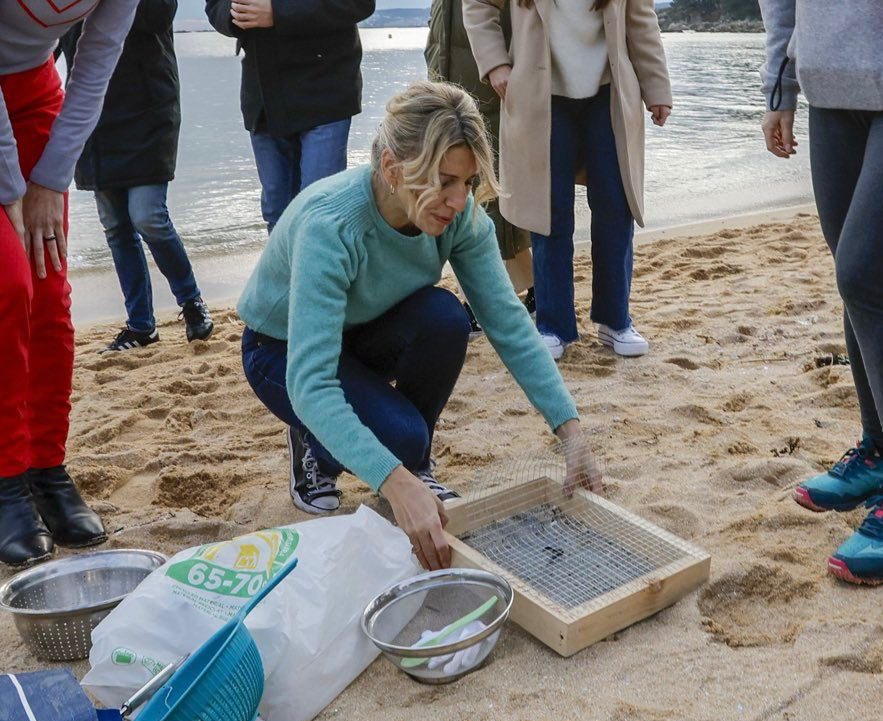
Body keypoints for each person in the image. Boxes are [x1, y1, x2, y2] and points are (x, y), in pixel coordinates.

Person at [239, 81, 601, 570]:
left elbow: (509, 322)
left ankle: (404, 459)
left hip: (362, 331)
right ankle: (318, 447)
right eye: (444, 181)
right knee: (403, 444)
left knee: (445, 316)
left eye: (468, 182)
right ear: (392, 168)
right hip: (280, 352)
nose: (459, 200)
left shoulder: (460, 218)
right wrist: (393, 481)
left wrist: (570, 432)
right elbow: (311, 382)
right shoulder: (331, 226)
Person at [0, 0, 140, 568]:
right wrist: (12, 188)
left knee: (49, 293)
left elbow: (95, 66)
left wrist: (51, 180)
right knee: (9, 285)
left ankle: (45, 468)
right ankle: (5, 481)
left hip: (34, 93)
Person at [463, 0, 671, 359]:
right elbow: (478, 5)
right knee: (548, 212)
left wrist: (657, 89)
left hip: (610, 92)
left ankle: (615, 321)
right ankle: (552, 325)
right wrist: (496, 63)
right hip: (539, 94)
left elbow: (641, 21)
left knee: (615, 205)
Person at [760, 1, 883, 585]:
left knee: (862, 274)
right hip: (829, 88)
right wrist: (780, 88)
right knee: (858, 283)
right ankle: (877, 451)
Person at [59, 1, 214, 354]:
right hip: (93, 115)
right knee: (116, 226)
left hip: (150, 108)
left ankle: (191, 301)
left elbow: (156, 16)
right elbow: (47, 38)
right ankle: (142, 326)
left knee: (148, 216)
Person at [205, 0, 375, 232]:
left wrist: (278, 12)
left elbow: (359, 3)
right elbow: (216, 6)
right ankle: (288, 257)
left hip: (326, 89)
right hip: (263, 94)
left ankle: (324, 255)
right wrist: (235, 13)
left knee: (319, 210)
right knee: (277, 211)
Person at [425, 0, 535, 337]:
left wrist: (499, 66)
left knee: (492, 200)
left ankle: (490, 300)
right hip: (451, 94)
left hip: (489, 90)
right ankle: (531, 288)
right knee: (477, 200)